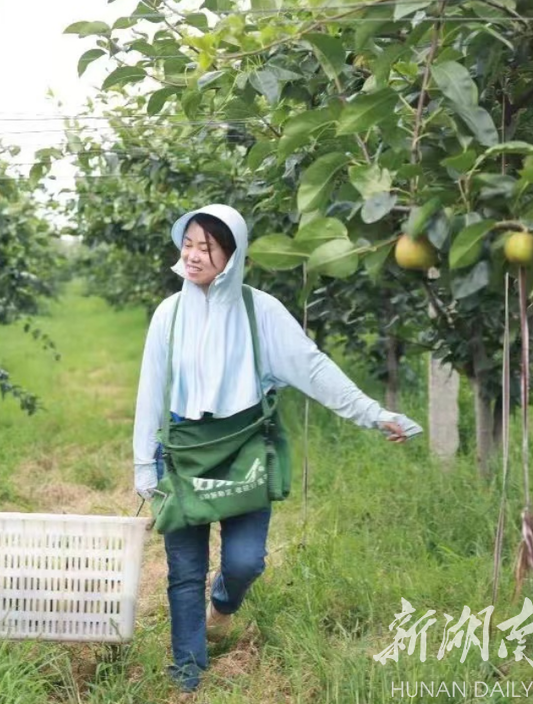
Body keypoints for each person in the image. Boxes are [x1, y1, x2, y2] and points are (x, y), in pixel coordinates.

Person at [132, 204, 421, 692]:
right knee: (184, 571)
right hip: (182, 449)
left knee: (245, 561)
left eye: (208, 247)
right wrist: (144, 465)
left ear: (233, 254)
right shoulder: (170, 313)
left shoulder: (258, 310)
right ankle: (187, 675)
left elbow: (313, 368)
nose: (195, 256)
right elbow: (149, 389)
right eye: (189, 244)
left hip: (244, 448)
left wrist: (374, 413)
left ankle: (224, 601)